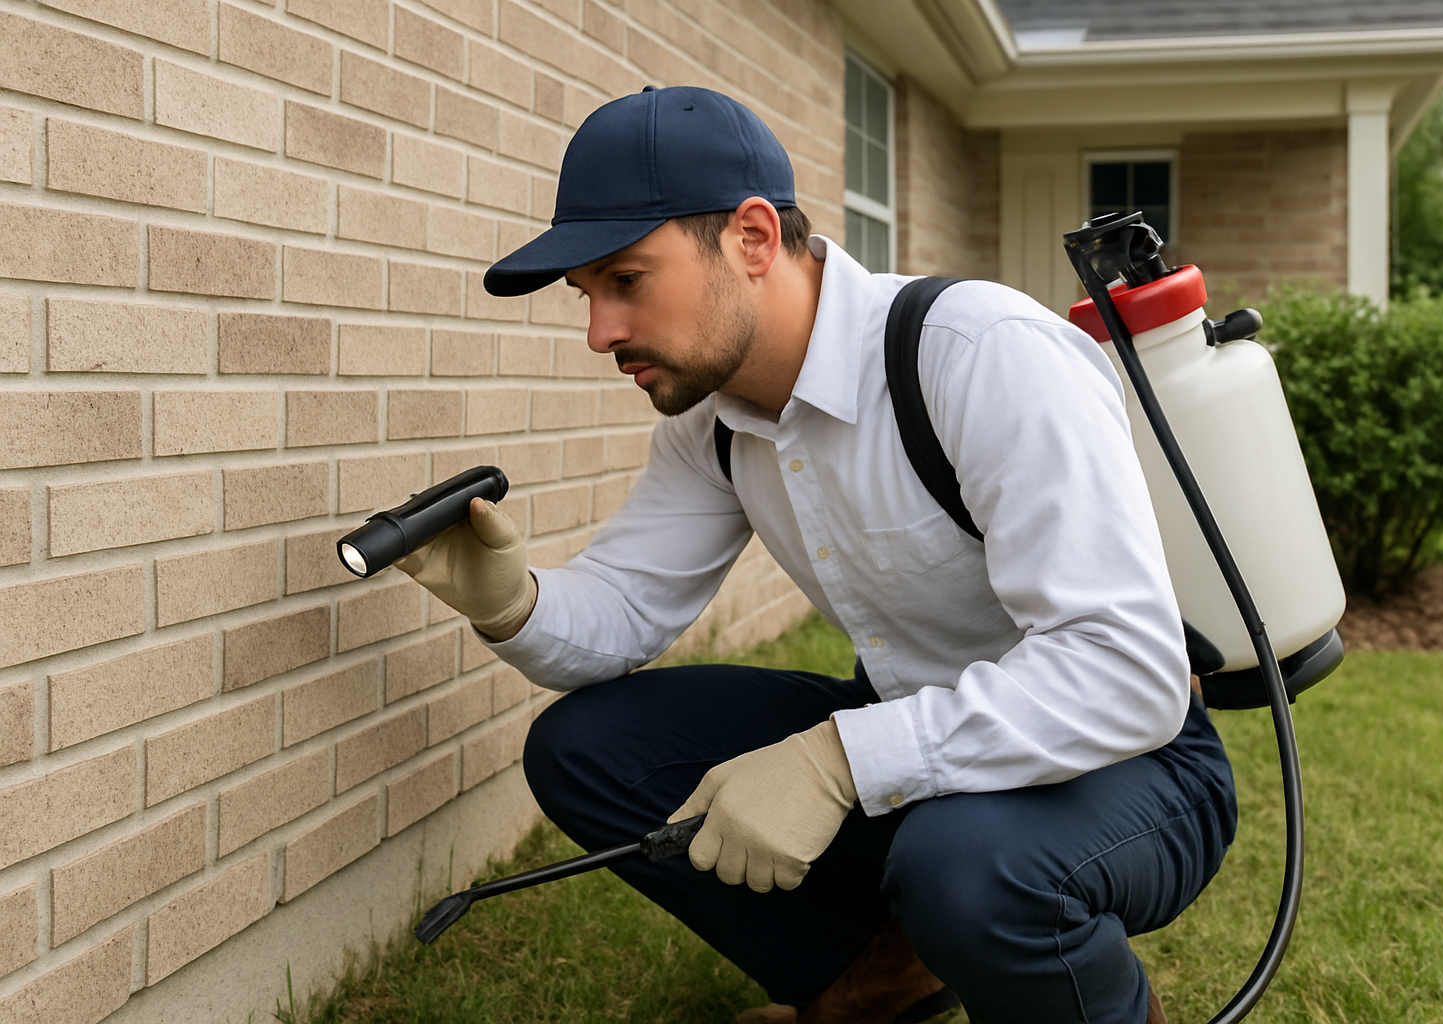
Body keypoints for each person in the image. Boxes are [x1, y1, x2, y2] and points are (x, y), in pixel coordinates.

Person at [396, 85, 1237, 1024]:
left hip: (1129, 761)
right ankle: (871, 986)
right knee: (588, 749)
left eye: (626, 280)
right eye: (586, 295)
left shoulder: (979, 354)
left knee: (961, 866)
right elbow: (627, 609)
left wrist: (840, 761)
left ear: (753, 239)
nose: (601, 333)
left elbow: (1127, 673)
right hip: (920, 744)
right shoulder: (712, 419)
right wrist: (513, 601)